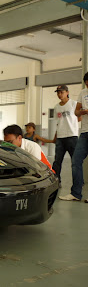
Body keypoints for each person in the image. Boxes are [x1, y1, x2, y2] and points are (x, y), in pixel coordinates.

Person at [59, 74, 88, 203]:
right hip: (85, 132)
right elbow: (76, 112)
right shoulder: (83, 92)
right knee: (76, 161)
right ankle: (76, 193)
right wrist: (83, 112)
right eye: (86, 83)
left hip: (76, 134)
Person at [48, 85, 79, 184]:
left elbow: (79, 118)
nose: (59, 94)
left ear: (67, 92)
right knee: (57, 161)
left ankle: (78, 182)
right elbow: (58, 123)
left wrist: (73, 127)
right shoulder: (56, 107)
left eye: (61, 92)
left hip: (72, 136)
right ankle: (56, 181)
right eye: (58, 92)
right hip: (60, 138)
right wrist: (55, 137)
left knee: (75, 161)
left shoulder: (74, 104)